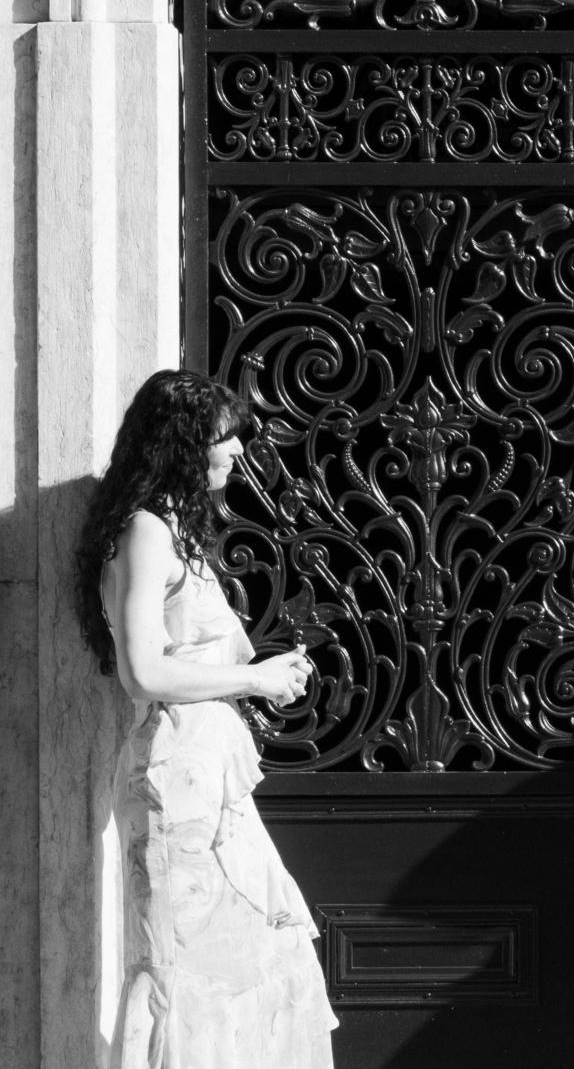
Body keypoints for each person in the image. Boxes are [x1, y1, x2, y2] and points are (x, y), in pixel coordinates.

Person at [75, 369, 338, 1069]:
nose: (238, 449)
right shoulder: (144, 531)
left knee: (258, 954)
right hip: (175, 780)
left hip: (207, 780)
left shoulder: (172, 534)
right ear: (184, 442)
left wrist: (266, 679)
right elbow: (143, 671)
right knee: (185, 972)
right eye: (225, 435)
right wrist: (254, 677)